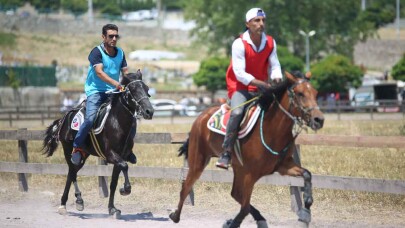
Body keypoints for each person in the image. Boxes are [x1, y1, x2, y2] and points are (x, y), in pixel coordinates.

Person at [216, 8, 283, 169]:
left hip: (262, 88)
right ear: (248, 24)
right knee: (238, 112)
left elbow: (275, 65)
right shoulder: (239, 43)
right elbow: (239, 73)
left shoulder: (270, 42)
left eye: (263, 21)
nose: (261, 24)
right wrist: (261, 84)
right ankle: (226, 153)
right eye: (257, 21)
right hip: (240, 88)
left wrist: (277, 78)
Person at [71, 24, 137, 166]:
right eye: (110, 36)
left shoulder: (120, 53)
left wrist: (132, 82)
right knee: (89, 120)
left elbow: (125, 72)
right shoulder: (96, 52)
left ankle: (128, 151)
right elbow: (99, 72)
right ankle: (77, 147)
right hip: (96, 91)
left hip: (114, 92)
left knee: (132, 117)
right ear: (103, 37)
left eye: (116, 36)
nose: (114, 38)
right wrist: (117, 84)